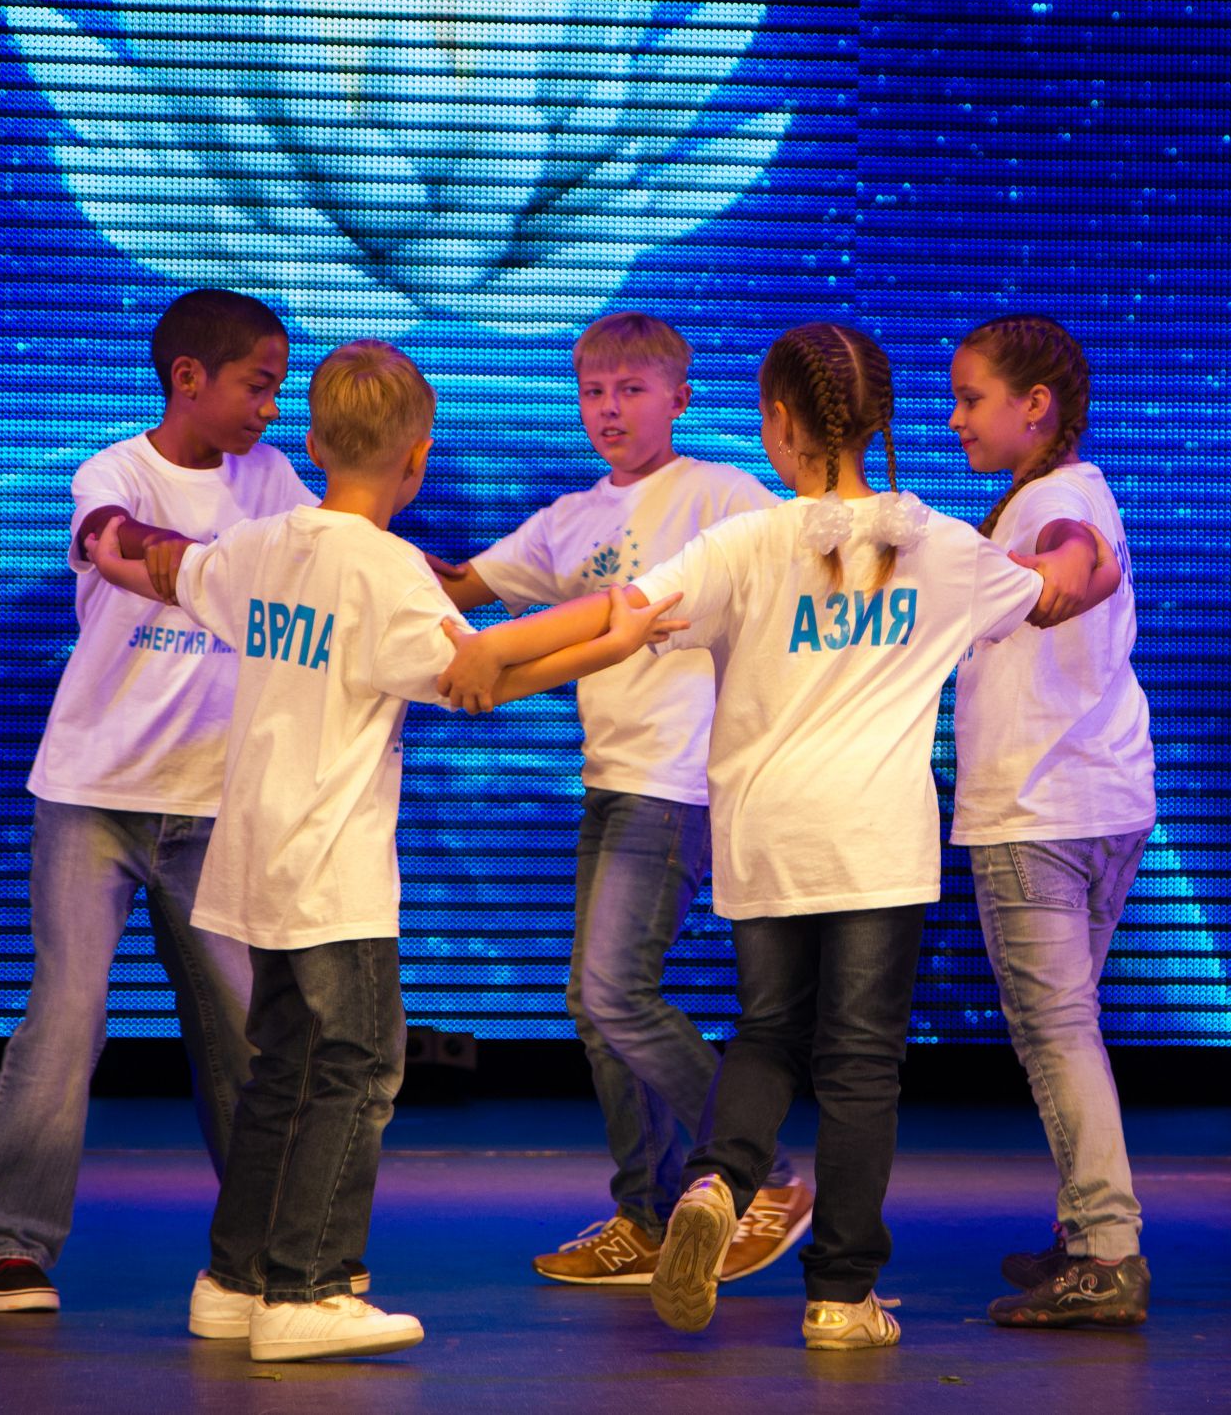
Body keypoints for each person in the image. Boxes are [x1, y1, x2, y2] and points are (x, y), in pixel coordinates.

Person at [440, 322, 1095, 1351]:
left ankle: (715, 1183)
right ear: (877, 420)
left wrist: (495, 658)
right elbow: (1058, 593)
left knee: (765, 1035)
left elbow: (616, 616)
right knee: (861, 1069)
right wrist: (1082, 546)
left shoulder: (745, 542)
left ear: (779, 424)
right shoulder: (941, 546)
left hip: (768, 839)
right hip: (876, 846)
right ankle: (840, 1297)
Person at [85, 338, 685, 1361]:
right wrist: (614, 637)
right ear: (418, 456)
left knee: (281, 1070)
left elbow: (174, 569)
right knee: (357, 1070)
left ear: (315, 444)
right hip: (331, 868)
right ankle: (308, 1289)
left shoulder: (261, 543)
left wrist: (107, 539)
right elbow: (477, 676)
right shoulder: (390, 572)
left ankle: (236, 1278)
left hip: (255, 858)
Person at [421, 312, 808, 1285]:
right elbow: (461, 588)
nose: (609, 409)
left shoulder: (721, 495)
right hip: (611, 779)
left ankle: (763, 1174)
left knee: (614, 993)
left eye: (631, 390)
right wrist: (352, 546)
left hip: (679, 783)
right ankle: (649, 1216)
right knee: (594, 1007)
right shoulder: (570, 519)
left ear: (680, 398)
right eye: (594, 391)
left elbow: (796, 587)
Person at [0, 288, 312, 1314]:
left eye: (279, 391)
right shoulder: (113, 471)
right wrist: (214, 571)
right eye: (257, 386)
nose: (270, 410)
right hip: (95, 797)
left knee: (245, 1029)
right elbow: (114, 543)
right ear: (188, 378)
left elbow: (327, 564)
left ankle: (267, 1253)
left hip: (214, 804)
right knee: (68, 1015)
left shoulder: (269, 478)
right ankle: (2, 1242)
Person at [948, 314, 1153, 1329]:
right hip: (1100, 801)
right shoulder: (1068, 489)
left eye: (971, 399)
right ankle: (1083, 1233)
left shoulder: (1054, 501)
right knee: (1067, 1028)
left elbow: (1078, 555)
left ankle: (1106, 1252)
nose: (955, 421)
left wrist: (1071, 573)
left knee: (1055, 1032)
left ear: (1035, 405)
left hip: (1039, 810)